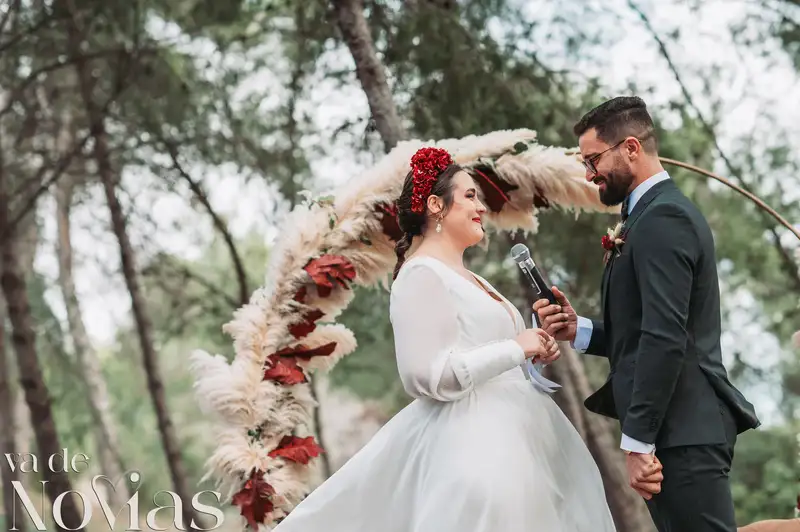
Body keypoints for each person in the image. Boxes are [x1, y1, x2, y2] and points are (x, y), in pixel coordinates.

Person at [272, 146, 617, 531]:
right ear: (436, 205)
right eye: (469, 196)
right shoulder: (421, 275)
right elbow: (425, 377)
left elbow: (491, 352)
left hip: (525, 437)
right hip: (472, 445)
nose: (480, 207)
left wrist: (534, 351)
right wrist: (516, 347)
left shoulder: (475, 280)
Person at [534, 96, 761, 532]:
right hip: (675, 431)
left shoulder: (664, 217)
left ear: (632, 148)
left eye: (594, 159)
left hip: (684, 430)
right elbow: (644, 330)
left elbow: (665, 336)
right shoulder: (642, 217)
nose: (588, 173)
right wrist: (577, 329)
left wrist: (638, 442)